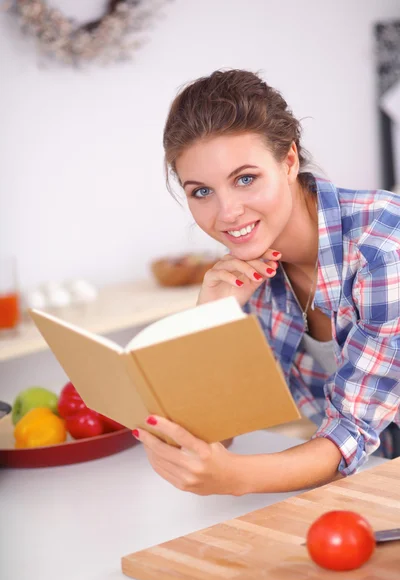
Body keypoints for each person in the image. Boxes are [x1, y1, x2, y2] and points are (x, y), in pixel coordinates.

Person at [132, 69, 400, 496]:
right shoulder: (249, 271)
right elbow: (216, 432)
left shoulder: (384, 247)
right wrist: (209, 320)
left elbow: (351, 431)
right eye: (201, 192)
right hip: (377, 477)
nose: (227, 213)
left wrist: (234, 478)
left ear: (289, 160)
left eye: (245, 179)